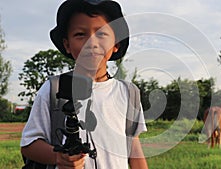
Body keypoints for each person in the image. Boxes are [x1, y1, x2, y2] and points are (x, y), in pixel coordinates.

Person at [20, 0, 148, 168]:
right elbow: (29, 145)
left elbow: (134, 148)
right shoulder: (54, 88)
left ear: (116, 44)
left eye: (101, 34)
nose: (91, 43)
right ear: (67, 44)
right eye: (80, 34)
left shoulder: (128, 92)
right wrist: (58, 157)